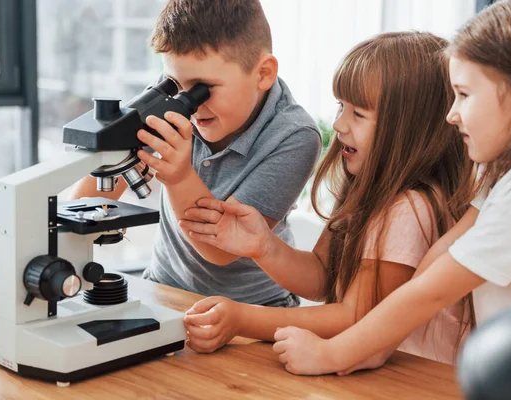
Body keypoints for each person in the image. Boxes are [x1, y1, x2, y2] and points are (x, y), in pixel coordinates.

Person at [268, 0, 511, 376]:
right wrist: (375, 346)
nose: (452, 115)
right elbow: (437, 261)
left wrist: (334, 354)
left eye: (465, 95)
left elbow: (434, 291)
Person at [180, 31, 474, 361]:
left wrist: (243, 319)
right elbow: (323, 276)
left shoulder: (408, 209)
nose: (338, 124)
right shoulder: (368, 190)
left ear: (410, 130)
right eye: (340, 106)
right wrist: (264, 246)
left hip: (417, 381)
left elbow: (354, 318)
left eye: (358, 114)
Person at [69, 0, 321, 307]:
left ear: (263, 73)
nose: (190, 103)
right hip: (163, 290)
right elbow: (86, 199)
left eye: (203, 88)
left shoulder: (294, 136)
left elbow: (222, 250)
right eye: (176, 85)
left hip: (252, 312)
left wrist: (179, 178)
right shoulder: (172, 97)